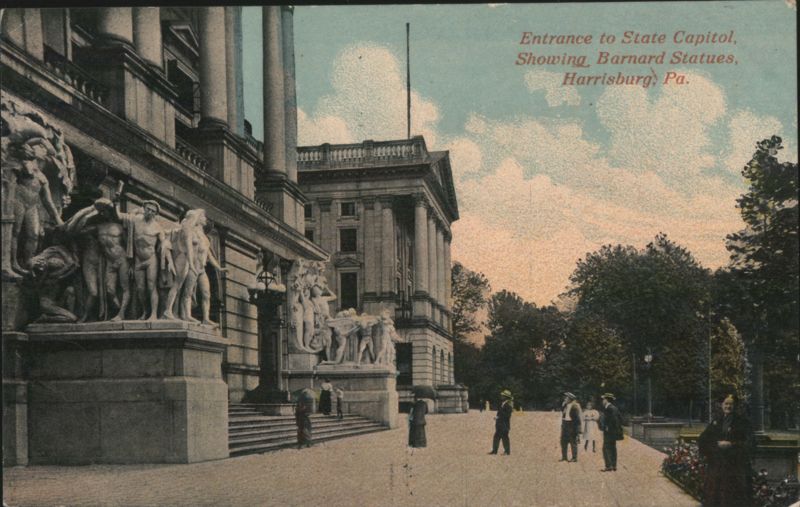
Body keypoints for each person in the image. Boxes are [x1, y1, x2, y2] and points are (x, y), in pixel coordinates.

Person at [697, 393, 755, 507]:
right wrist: (715, 446)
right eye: (726, 403)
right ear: (722, 405)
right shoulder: (716, 421)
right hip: (717, 464)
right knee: (715, 495)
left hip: (735, 466)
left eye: (731, 404)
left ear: (735, 406)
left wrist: (731, 445)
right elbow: (703, 439)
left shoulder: (743, 422)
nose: (728, 406)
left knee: (733, 497)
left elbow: (750, 443)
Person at [599, 392, 623, 471]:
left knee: (606, 448)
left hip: (609, 431)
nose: (602, 401)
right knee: (613, 448)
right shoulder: (614, 407)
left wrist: (607, 427)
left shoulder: (609, 408)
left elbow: (613, 419)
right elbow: (620, 418)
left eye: (603, 399)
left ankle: (608, 466)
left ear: (606, 400)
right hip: (614, 432)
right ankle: (613, 465)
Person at [489, 389, 513, 455]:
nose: (501, 396)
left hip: (504, 425)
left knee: (505, 438)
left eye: (503, 395)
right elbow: (499, 413)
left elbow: (507, 415)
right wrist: (497, 417)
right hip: (499, 424)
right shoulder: (501, 404)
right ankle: (494, 451)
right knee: (496, 437)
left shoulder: (509, 405)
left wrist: (499, 416)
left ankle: (507, 451)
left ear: (506, 397)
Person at [560, 392, 582, 462]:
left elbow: (577, 419)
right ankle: (564, 457)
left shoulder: (574, 406)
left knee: (573, 441)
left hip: (571, 425)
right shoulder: (566, 405)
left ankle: (574, 458)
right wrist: (563, 405)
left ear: (570, 399)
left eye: (566, 398)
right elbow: (563, 413)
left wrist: (577, 430)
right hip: (565, 424)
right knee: (563, 441)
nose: (565, 399)